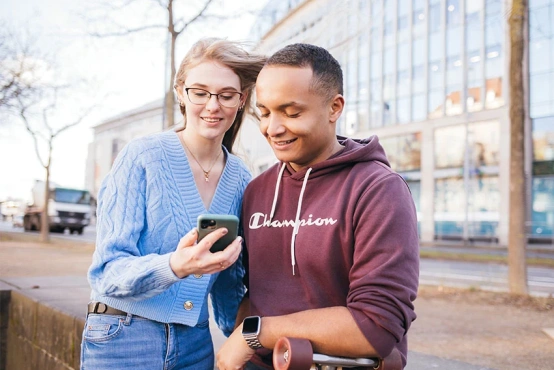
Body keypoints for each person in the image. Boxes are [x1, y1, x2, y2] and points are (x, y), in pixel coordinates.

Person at [217, 43, 419, 369]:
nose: (273, 128)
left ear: (334, 108)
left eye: (292, 113)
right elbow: (252, 291)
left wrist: (256, 332)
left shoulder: (379, 190)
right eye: (265, 112)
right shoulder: (256, 191)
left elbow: (377, 327)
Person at [80, 38, 266, 369]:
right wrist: (175, 266)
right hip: (123, 336)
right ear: (180, 92)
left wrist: (250, 336)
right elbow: (106, 273)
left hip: (195, 343)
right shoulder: (142, 156)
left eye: (226, 95)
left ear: (242, 100)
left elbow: (226, 282)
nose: (213, 105)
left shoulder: (240, 177)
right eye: (200, 92)